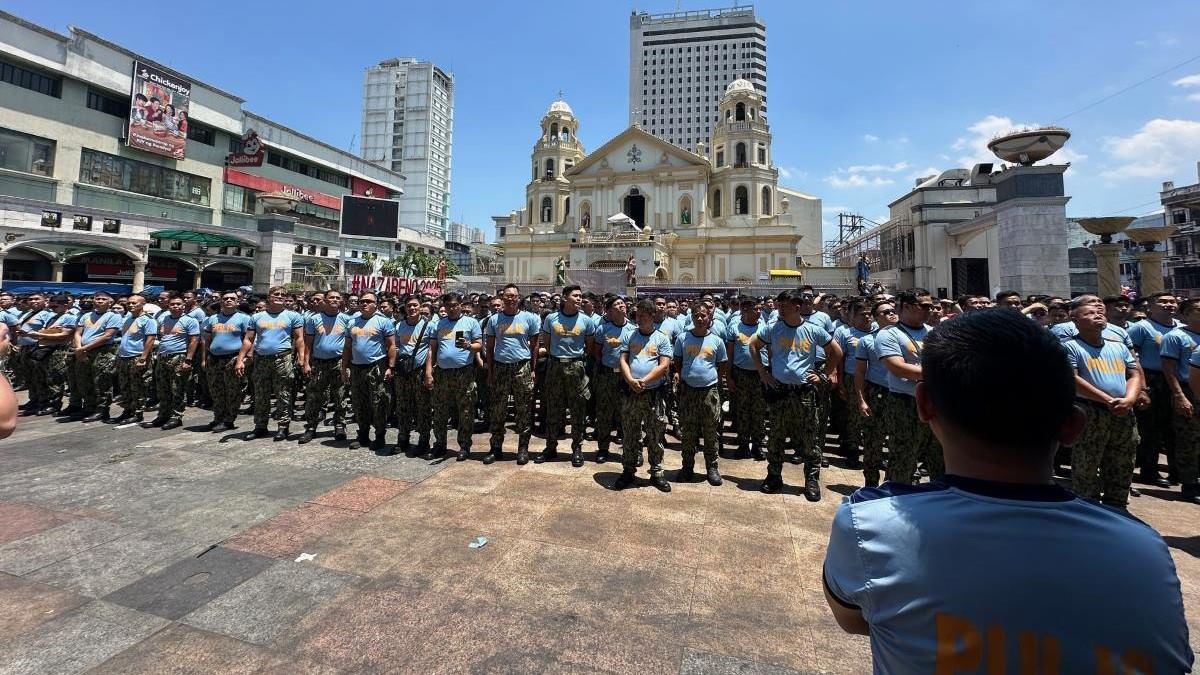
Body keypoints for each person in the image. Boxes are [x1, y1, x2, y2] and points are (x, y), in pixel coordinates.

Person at [822, 309, 1192, 673]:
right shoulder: (1144, 550)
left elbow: (855, 620)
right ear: (1073, 426)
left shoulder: (871, 525)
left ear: (924, 404)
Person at [750, 289, 842, 499]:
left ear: (797, 307)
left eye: (785, 305)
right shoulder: (774, 329)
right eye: (779, 305)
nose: (780, 308)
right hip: (780, 391)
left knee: (810, 439)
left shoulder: (813, 330)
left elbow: (836, 352)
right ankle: (774, 476)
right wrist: (763, 373)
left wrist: (824, 375)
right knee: (776, 438)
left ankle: (811, 480)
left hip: (804, 393)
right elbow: (753, 346)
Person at [1063, 300, 1143, 508]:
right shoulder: (1070, 347)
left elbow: (1134, 374)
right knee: (1087, 462)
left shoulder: (1118, 346)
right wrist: (1107, 400)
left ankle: (1117, 505)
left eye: (1100, 313)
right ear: (1075, 320)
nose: (1098, 315)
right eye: (1089, 313)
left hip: (1123, 411)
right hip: (1090, 411)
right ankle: (1086, 505)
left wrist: (1130, 399)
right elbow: (1073, 379)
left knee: (1123, 459)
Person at [876, 288, 943, 484]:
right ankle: (895, 500)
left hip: (934, 402)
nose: (930, 310)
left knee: (939, 458)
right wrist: (941, 374)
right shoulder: (889, 335)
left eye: (931, 306)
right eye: (924, 306)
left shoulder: (934, 333)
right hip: (905, 404)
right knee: (902, 459)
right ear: (905, 306)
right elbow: (898, 368)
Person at [614, 299, 673, 492]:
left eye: (643, 316)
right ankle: (628, 470)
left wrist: (644, 381)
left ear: (652, 316)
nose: (639, 319)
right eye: (637, 315)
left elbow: (664, 365)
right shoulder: (630, 336)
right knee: (630, 432)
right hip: (631, 392)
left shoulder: (661, 338)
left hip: (652, 393)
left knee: (655, 433)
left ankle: (656, 472)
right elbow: (623, 359)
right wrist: (631, 380)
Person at [538, 285, 596, 466]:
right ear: (564, 298)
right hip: (555, 365)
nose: (579, 299)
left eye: (580, 296)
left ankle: (577, 448)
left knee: (578, 409)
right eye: (575, 296)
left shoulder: (586, 321)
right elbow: (547, 343)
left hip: (577, 366)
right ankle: (551, 447)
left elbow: (590, 345)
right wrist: (556, 355)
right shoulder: (551, 318)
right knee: (553, 408)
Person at [237, 286, 305, 441]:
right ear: (269, 297)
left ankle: (283, 427)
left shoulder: (293, 316)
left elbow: (299, 338)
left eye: (282, 294)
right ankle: (260, 426)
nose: (279, 296)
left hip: (283, 359)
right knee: (261, 394)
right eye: (276, 294)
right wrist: (240, 359)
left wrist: (301, 357)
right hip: (261, 360)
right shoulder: (257, 317)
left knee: (284, 394)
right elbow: (248, 339)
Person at [673, 303, 729, 486]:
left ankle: (711, 468)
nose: (700, 319)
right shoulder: (683, 338)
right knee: (688, 432)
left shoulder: (717, 341)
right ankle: (687, 466)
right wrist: (683, 378)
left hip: (709, 392)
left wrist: (713, 380)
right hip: (688, 391)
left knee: (711, 432)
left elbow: (722, 365)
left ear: (709, 318)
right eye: (696, 315)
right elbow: (678, 362)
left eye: (704, 316)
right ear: (691, 317)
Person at [1127, 292, 1180, 487]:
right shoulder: (1142, 328)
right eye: (1163, 302)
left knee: (1175, 428)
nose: (1169, 305)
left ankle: (1178, 471)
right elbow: (1131, 357)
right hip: (1151, 379)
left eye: (1172, 301)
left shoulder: (1181, 327)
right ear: (1150, 306)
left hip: (1176, 380)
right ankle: (1150, 471)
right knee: (1151, 429)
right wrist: (1141, 387)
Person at [485, 284, 541, 465]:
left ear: (519, 298)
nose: (510, 298)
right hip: (500, 367)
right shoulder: (494, 320)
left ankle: (523, 448)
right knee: (497, 410)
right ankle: (495, 448)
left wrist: (533, 370)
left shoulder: (529, 318)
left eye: (513, 295)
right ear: (502, 298)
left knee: (523, 410)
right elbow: (490, 348)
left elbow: (534, 347)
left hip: (522, 367)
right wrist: (491, 371)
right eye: (506, 295)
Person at [426, 292, 482, 460]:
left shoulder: (471, 323)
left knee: (465, 410)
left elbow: (479, 346)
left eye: (455, 305)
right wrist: (429, 371)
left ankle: (464, 445)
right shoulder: (438, 324)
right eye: (448, 306)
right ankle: (440, 443)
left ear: (461, 305)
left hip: (463, 372)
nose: (452, 308)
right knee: (440, 410)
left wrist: (469, 346)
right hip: (442, 373)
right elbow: (432, 349)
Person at [341, 292, 396, 453]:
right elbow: (347, 347)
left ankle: (379, 435)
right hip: (357, 367)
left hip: (376, 367)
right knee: (359, 403)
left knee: (379, 403)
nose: (364, 304)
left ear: (375, 304)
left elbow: (391, 345)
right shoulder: (352, 322)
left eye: (368, 301)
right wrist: (344, 367)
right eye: (362, 301)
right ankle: (363, 434)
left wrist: (390, 367)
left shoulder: (383, 322)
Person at [854, 299, 898, 487]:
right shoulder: (867, 341)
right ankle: (871, 485)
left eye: (893, 310)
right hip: (877, 393)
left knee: (899, 441)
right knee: (873, 441)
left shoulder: (905, 338)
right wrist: (861, 399)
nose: (891, 314)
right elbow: (860, 372)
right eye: (885, 312)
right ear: (875, 318)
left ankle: (894, 484)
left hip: (901, 395)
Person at [1162, 298, 1200, 504]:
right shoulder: (1176, 336)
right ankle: (1189, 484)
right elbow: (1169, 368)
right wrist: (1179, 396)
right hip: (1188, 390)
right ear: (1185, 314)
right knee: (1189, 440)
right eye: (1197, 310)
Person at [142, 296, 199, 430]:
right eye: (172, 304)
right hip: (163, 357)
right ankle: (163, 415)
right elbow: (162, 336)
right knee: (162, 389)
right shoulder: (164, 318)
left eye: (178, 304)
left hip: (179, 357)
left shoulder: (190, 321)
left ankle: (176, 417)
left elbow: (194, 341)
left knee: (177, 389)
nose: (175, 306)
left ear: (183, 306)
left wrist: (188, 359)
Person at [300, 290, 348, 444]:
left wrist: (347, 366)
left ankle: (339, 425)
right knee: (314, 396)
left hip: (339, 362)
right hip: (319, 362)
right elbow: (308, 343)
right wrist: (306, 362)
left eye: (337, 298)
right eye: (331, 297)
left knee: (340, 396)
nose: (334, 300)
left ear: (340, 301)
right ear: (324, 300)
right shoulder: (314, 320)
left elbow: (349, 345)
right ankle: (311, 427)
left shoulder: (347, 320)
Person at [592, 296, 635, 462]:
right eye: (617, 304)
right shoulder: (603, 329)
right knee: (604, 413)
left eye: (622, 303)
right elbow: (597, 351)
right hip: (607, 375)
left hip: (626, 377)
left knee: (626, 413)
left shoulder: (633, 329)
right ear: (609, 311)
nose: (621, 305)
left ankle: (628, 448)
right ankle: (603, 448)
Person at [201, 292, 250, 433]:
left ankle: (229, 420)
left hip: (233, 359)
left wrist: (245, 359)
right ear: (221, 301)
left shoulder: (244, 318)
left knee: (232, 390)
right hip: (214, 359)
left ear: (238, 302)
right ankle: (218, 418)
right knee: (216, 390)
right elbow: (207, 340)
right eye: (225, 298)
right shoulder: (212, 319)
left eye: (232, 299)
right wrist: (205, 359)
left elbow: (249, 340)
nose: (229, 300)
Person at [70, 291, 123, 422]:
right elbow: (78, 333)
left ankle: (102, 410)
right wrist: (79, 348)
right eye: (97, 298)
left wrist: (83, 348)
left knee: (101, 382)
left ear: (110, 302)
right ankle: (88, 407)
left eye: (103, 299)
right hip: (83, 351)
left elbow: (107, 336)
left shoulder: (113, 316)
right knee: (84, 380)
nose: (99, 301)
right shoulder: (86, 315)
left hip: (102, 352)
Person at [725, 297, 767, 460]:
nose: (759, 312)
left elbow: (770, 352)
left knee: (759, 411)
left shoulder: (764, 327)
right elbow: (730, 354)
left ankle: (757, 445)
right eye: (755, 309)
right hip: (740, 374)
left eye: (760, 309)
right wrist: (729, 376)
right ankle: (743, 445)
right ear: (745, 310)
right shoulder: (734, 327)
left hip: (760, 374)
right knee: (742, 411)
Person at [834, 297, 872, 468]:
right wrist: (840, 382)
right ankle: (852, 450)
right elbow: (839, 359)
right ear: (853, 316)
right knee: (854, 417)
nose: (867, 318)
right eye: (863, 314)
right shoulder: (845, 333)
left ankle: (871, 451)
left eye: (870, 314)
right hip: (851, 378)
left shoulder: (878, 332)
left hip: (874, 380)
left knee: (873, 418)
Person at [394, 294, 433, 458]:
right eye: (409, 305)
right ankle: (403, 439)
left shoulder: (429, 326)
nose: (412, 308)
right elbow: (395, 346)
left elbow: (431, 350)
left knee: (422, 407)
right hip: (403, 371)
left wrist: (428, 372)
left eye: (415, 305)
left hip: (419, 370)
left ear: (420, 307)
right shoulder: (399, 326)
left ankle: (423, 441)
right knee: (403, 406)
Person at [24, 295, 77, 416]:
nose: (52, 308)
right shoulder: (53, 317)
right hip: (45, 349)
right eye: (51, 305)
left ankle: (54, 404)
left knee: (54, 378)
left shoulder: (69, 317)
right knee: (41, 377)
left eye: (55, 305)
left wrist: (38, 335)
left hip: (58, 350)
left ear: (65, 305)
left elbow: (64, 335)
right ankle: (43, 401)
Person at [112, 295, 156, 425]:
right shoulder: (128, 319)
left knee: (138, 386)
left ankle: (137, 413)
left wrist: (143, 358)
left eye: (134, 303)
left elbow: (151, 339)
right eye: (129, 303)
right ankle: (127, 411)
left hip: (137, 357)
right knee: (125, 386)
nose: (130, 305)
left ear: (143, 304)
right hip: (124, 357)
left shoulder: (148, 320)